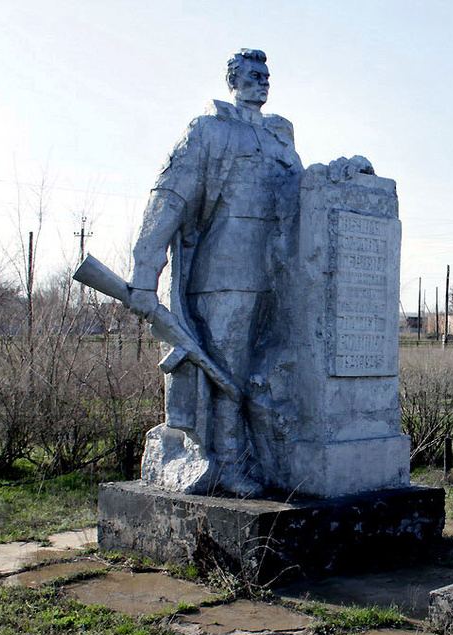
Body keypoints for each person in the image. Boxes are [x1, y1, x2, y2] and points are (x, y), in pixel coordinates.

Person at [130, 48, 302, 495]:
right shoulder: (209, 130)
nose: (262, 81)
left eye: (266, 75)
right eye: (253, 74)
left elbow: (305, 195)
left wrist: (346, 176)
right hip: (223, 275)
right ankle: (226, 463)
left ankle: (274, 461)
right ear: (233, 81)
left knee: (265, 372)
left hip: (275, 274)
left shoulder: (280, 138)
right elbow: (170, 195)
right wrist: (145, 270)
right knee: (226, 373)